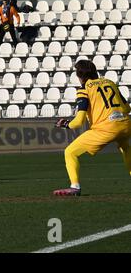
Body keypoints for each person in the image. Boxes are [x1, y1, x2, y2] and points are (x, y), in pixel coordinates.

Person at [54, 60, 131, 196]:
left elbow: (78, 121)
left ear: (80, 76)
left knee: (70, 152)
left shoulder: (84, 89)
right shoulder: (109, 82)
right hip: (125, 124)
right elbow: (127, 107)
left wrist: (65, 124)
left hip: (105, 129)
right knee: (125, 147)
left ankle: (75, 186)